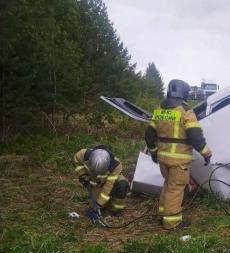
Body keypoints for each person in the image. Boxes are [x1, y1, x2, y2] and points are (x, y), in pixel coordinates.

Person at [145, 79, 212, 230]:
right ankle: (172, 222)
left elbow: (149, 135)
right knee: (176, 188)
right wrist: (206, 153)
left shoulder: (159, 110)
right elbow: (195, 136)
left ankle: (162, 214)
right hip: (179, 160)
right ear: (184, 92)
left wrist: (154, 153)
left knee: (168, 185)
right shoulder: (185, 111)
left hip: (163, 158)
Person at [74, 145, 129, 222]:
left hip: (112, 179)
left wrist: (99, 204)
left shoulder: (115, 166)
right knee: (94, 207)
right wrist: (82, 175)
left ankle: (116, 210)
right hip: (97, 182)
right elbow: (77, 162)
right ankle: (102, 205)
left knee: (122, 185)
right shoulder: (83, 154)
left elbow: (108, 187)